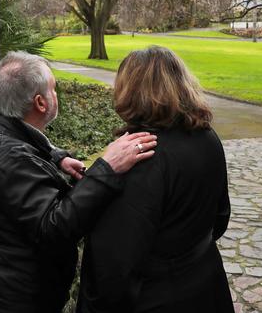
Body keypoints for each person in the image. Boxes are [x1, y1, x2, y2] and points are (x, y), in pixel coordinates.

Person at [0, 51, 157, 313]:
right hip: (17, 303)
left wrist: (56, 158)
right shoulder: (10, 161)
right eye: (53, 90)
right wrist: (107, 168)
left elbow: (23, 143)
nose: (57, 95)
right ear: (40, 103)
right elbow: (53, 228)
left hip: (4, 292)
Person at [76, 46, 234, 313]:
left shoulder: (141, 156)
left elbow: (114, 267)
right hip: (205, 285)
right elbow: (220, 218)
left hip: (157, 299)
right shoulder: (207, 137)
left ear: (130, 89)